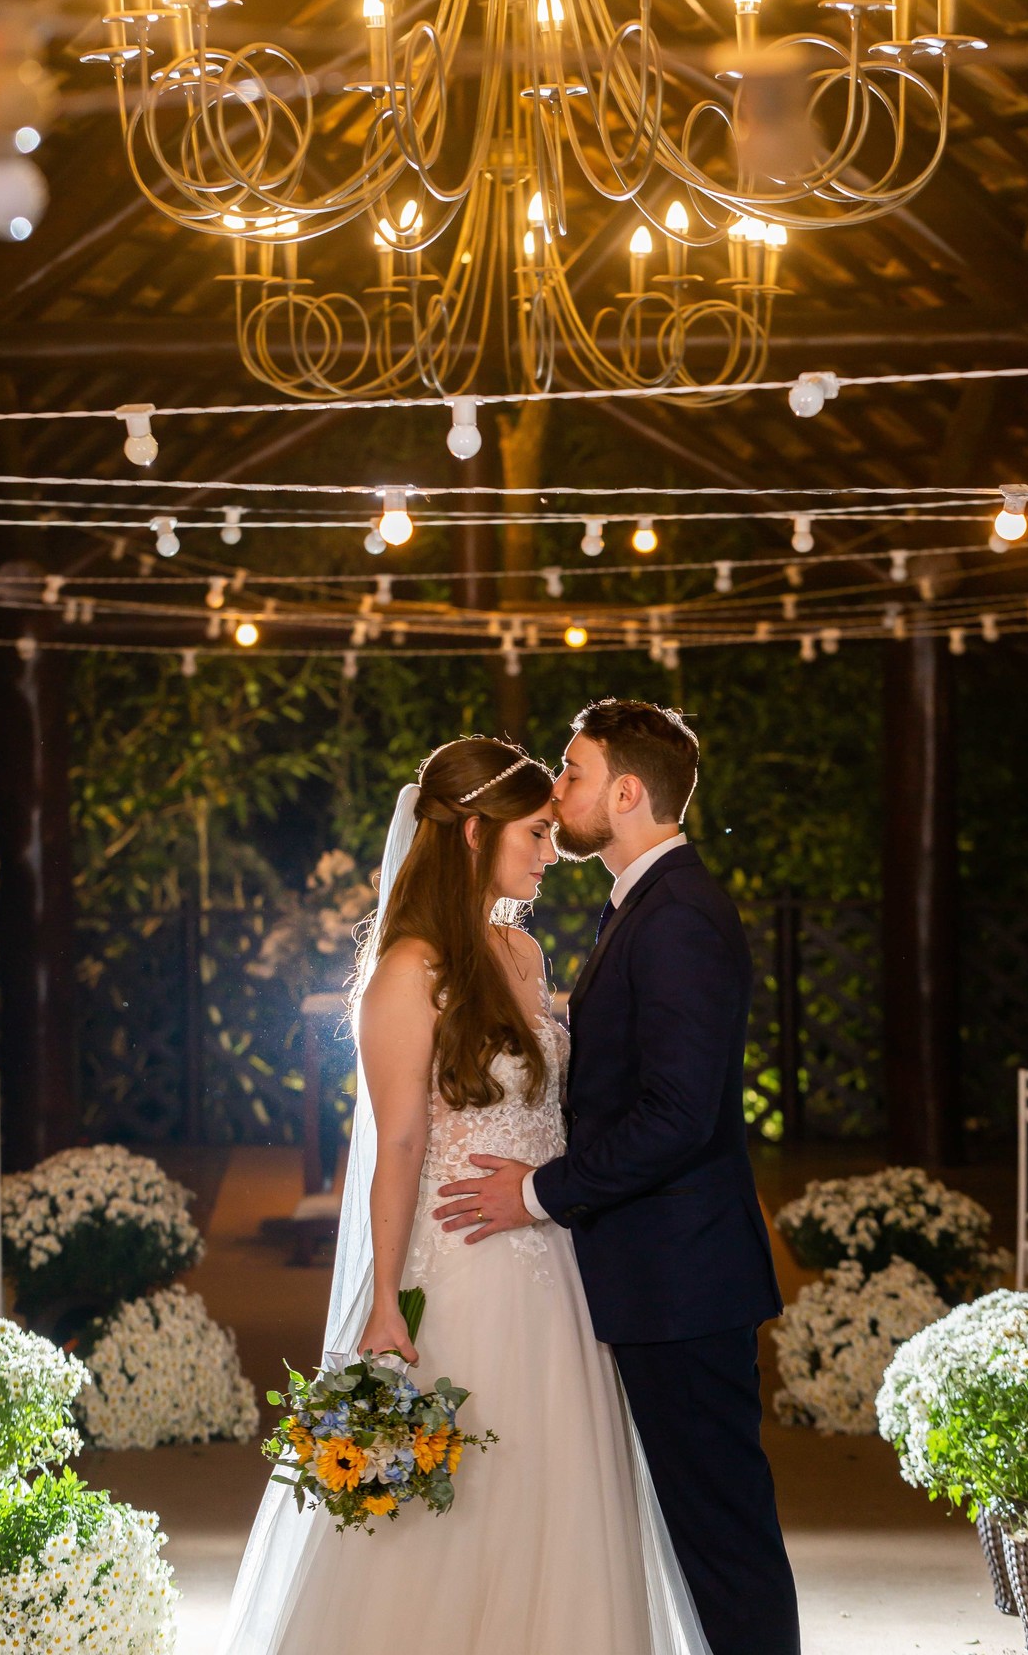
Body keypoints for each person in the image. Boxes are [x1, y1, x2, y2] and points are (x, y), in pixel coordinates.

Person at [220, 735, 710, 1655]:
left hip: (555, 1268)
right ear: (476, 833)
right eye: (532, 832)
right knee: (453, 1515)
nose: (548, 849)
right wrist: (382, 1302)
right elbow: (399, 1145)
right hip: (461, 1268)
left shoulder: (523, 954)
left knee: (561, 1498)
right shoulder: (409, 971)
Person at [435, 700, 800, 1655]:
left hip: (683, 1281)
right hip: (659, 1274)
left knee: (723, 1535)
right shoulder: (649, 903)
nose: (559, 791)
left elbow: (677, 1117)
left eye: (574, 770)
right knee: (705, 1529)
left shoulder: (677, 916)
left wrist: (534, 1191)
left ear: (627, 792)